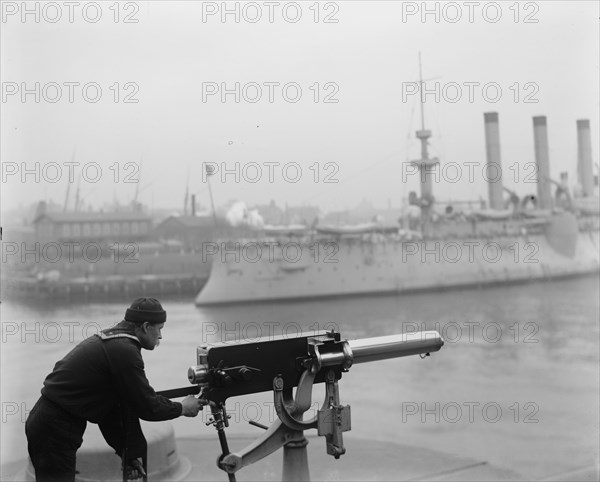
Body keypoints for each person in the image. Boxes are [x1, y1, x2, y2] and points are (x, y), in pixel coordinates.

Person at [25, 297, 204, 482]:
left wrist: (128, 451)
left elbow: (113, 410)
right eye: (159, 329)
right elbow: (147, 405)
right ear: (145, 326)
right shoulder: (125, 351)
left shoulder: (114, 341)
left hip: (50, 422)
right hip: (54, 428)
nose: (160, 336)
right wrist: (182, 408)